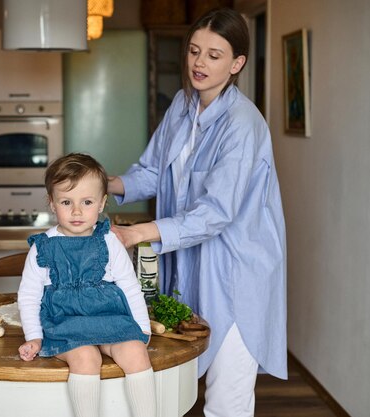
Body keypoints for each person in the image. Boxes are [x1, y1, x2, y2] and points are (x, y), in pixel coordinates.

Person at [108, 8, 287, 417]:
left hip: (237, 273)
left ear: (237, 63)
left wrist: (138, 234)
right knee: (177, 383)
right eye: (193, 51)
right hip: (189, 265)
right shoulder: (182, 105)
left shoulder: (243, 124)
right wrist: (105, 183)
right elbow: (153, 171)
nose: (199, 63)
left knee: (227, 400)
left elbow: (216, 213)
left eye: (214, 55)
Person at [18, 153, 156, 417]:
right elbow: (28, 296)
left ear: (102, 203)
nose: (77, 211)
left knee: (136, 351)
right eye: (66, 202)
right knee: (86, 358)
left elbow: (129, 284)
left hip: (108, 317)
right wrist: (34, 337)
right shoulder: (43, 247)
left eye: (87, 202)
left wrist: (142, 326)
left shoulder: (108, 241)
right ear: (51, 203)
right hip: (64, 322)